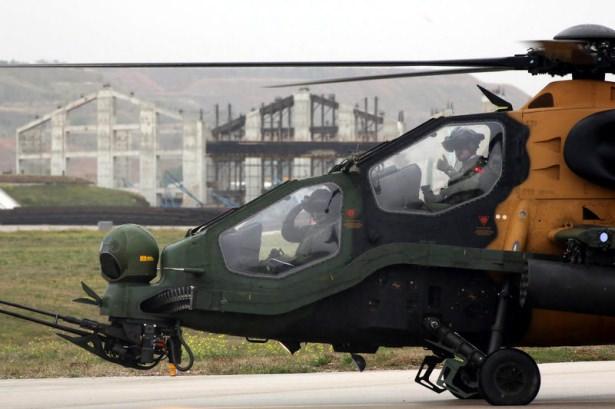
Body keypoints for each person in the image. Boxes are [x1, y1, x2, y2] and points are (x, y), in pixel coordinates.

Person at [422, 127, 488, 205]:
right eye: (456, 148)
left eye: (461, 146)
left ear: (472, 145)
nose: (458, 151)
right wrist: (427, 193)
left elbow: (470, 185)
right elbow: (445, 195)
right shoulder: (462, 169)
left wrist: (447, 169)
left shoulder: (481, 164)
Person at [278, 188, 341, 267]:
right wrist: (300, 206)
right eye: (313, 210)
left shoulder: (337, 228)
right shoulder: (309, 230)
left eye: (321, 210)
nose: (316, 214)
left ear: (331, 210)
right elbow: (288, 233)